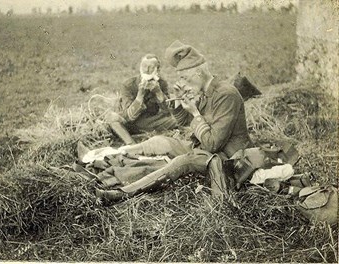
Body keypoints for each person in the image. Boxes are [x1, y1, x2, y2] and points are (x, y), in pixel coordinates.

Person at [94, 40, 252, 202]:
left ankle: (123, 193)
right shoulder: (205, 91)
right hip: (203, 147)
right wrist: (179, 105)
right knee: (160, 141)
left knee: (182, 162)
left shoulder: (226, 94)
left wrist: (195, 113)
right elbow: (183, 122)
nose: (182, 82)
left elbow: (213, 144)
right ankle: (121, 152)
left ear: (198, 73)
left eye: (184, 77)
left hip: (224, 158)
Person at [106, 54, 177, 145]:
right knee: (112, 118)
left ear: (157, 70)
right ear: (140, 67)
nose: (146, 70)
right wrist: (140, 96)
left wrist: (158, 92)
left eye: (151, 67)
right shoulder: (129, 85)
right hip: (131, 123)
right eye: (144, 66)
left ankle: (144, 137)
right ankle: (131, 144)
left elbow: (167, 111)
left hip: (152, 121)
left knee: (178, 120)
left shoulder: (161, 83)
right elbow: (128, 116)